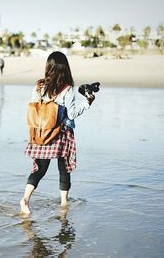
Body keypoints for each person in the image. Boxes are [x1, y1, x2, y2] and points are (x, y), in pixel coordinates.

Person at [20, 51, 95, 215]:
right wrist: (87, 102)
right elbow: (72, 114)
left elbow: (35, 110)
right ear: (65, 68)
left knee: (39, 170)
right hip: (60, 133)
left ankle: (25, 199)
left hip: (40, 133)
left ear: (48, 67)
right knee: (64, 168)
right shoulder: (67, 88)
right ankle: (63, 204)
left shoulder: (38, 86)